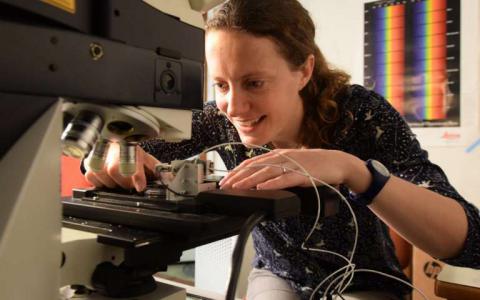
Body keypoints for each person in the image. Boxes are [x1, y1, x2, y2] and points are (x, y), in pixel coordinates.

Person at [84, 0, 480, 299]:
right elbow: (128, 140)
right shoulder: (216, 119)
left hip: (366, 280)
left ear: (304, 70)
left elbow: (470, 244)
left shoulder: (361, 113)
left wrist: (354, 170)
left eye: (254, 83)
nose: (234, 107)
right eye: (222, 85)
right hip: (277, 274)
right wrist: (111, 151)